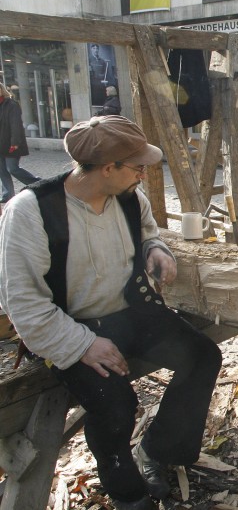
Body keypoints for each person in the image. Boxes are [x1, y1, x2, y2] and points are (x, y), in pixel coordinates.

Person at [0, 115, 222, 510]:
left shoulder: (129, 196)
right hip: (65, 327)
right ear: (107, 168)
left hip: (130, 312)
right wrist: (83, 344)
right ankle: (127, 493)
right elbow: (23, 304)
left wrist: (156, 250)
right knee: (115, 403)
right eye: (137, 167)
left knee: (203, 356)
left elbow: (148, 233)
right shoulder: (30, 212)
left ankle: (159, 451)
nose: (143, 174)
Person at [0, 82, 40, 204]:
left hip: (10, 143)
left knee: (12, 168)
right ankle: (7, 194)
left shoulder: (11, 105)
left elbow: (16, 124)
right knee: (2, 171)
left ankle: (38, 183)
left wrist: (15, 142)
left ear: (1, 90)